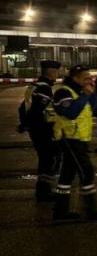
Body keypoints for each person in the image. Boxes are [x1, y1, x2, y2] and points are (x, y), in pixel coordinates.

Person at [52, 65, 97, 221]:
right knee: (86, 172)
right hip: (69, 139)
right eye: (86, 78)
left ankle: (60, 212)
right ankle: (91, 209)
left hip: (80, 139)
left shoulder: (81, 91)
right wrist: (84, 95)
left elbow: (95, 108)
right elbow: (71, 113)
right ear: (75, 78)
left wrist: (92, 94)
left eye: (91, 78)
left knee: (67, 175)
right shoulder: (63, 92)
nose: (89, 81)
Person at [18, 60, 62, 201]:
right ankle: (44, 192)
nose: (58, 74)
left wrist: (24, 124)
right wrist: (46, 131)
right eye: (56, 72)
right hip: (43, 131)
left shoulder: (33, 86)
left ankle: (43, 190)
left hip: (36, 130)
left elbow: (22, 108)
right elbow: (37, 111)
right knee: (49, 161)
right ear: (51, 72)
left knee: (46, 160)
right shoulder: (44, 89)